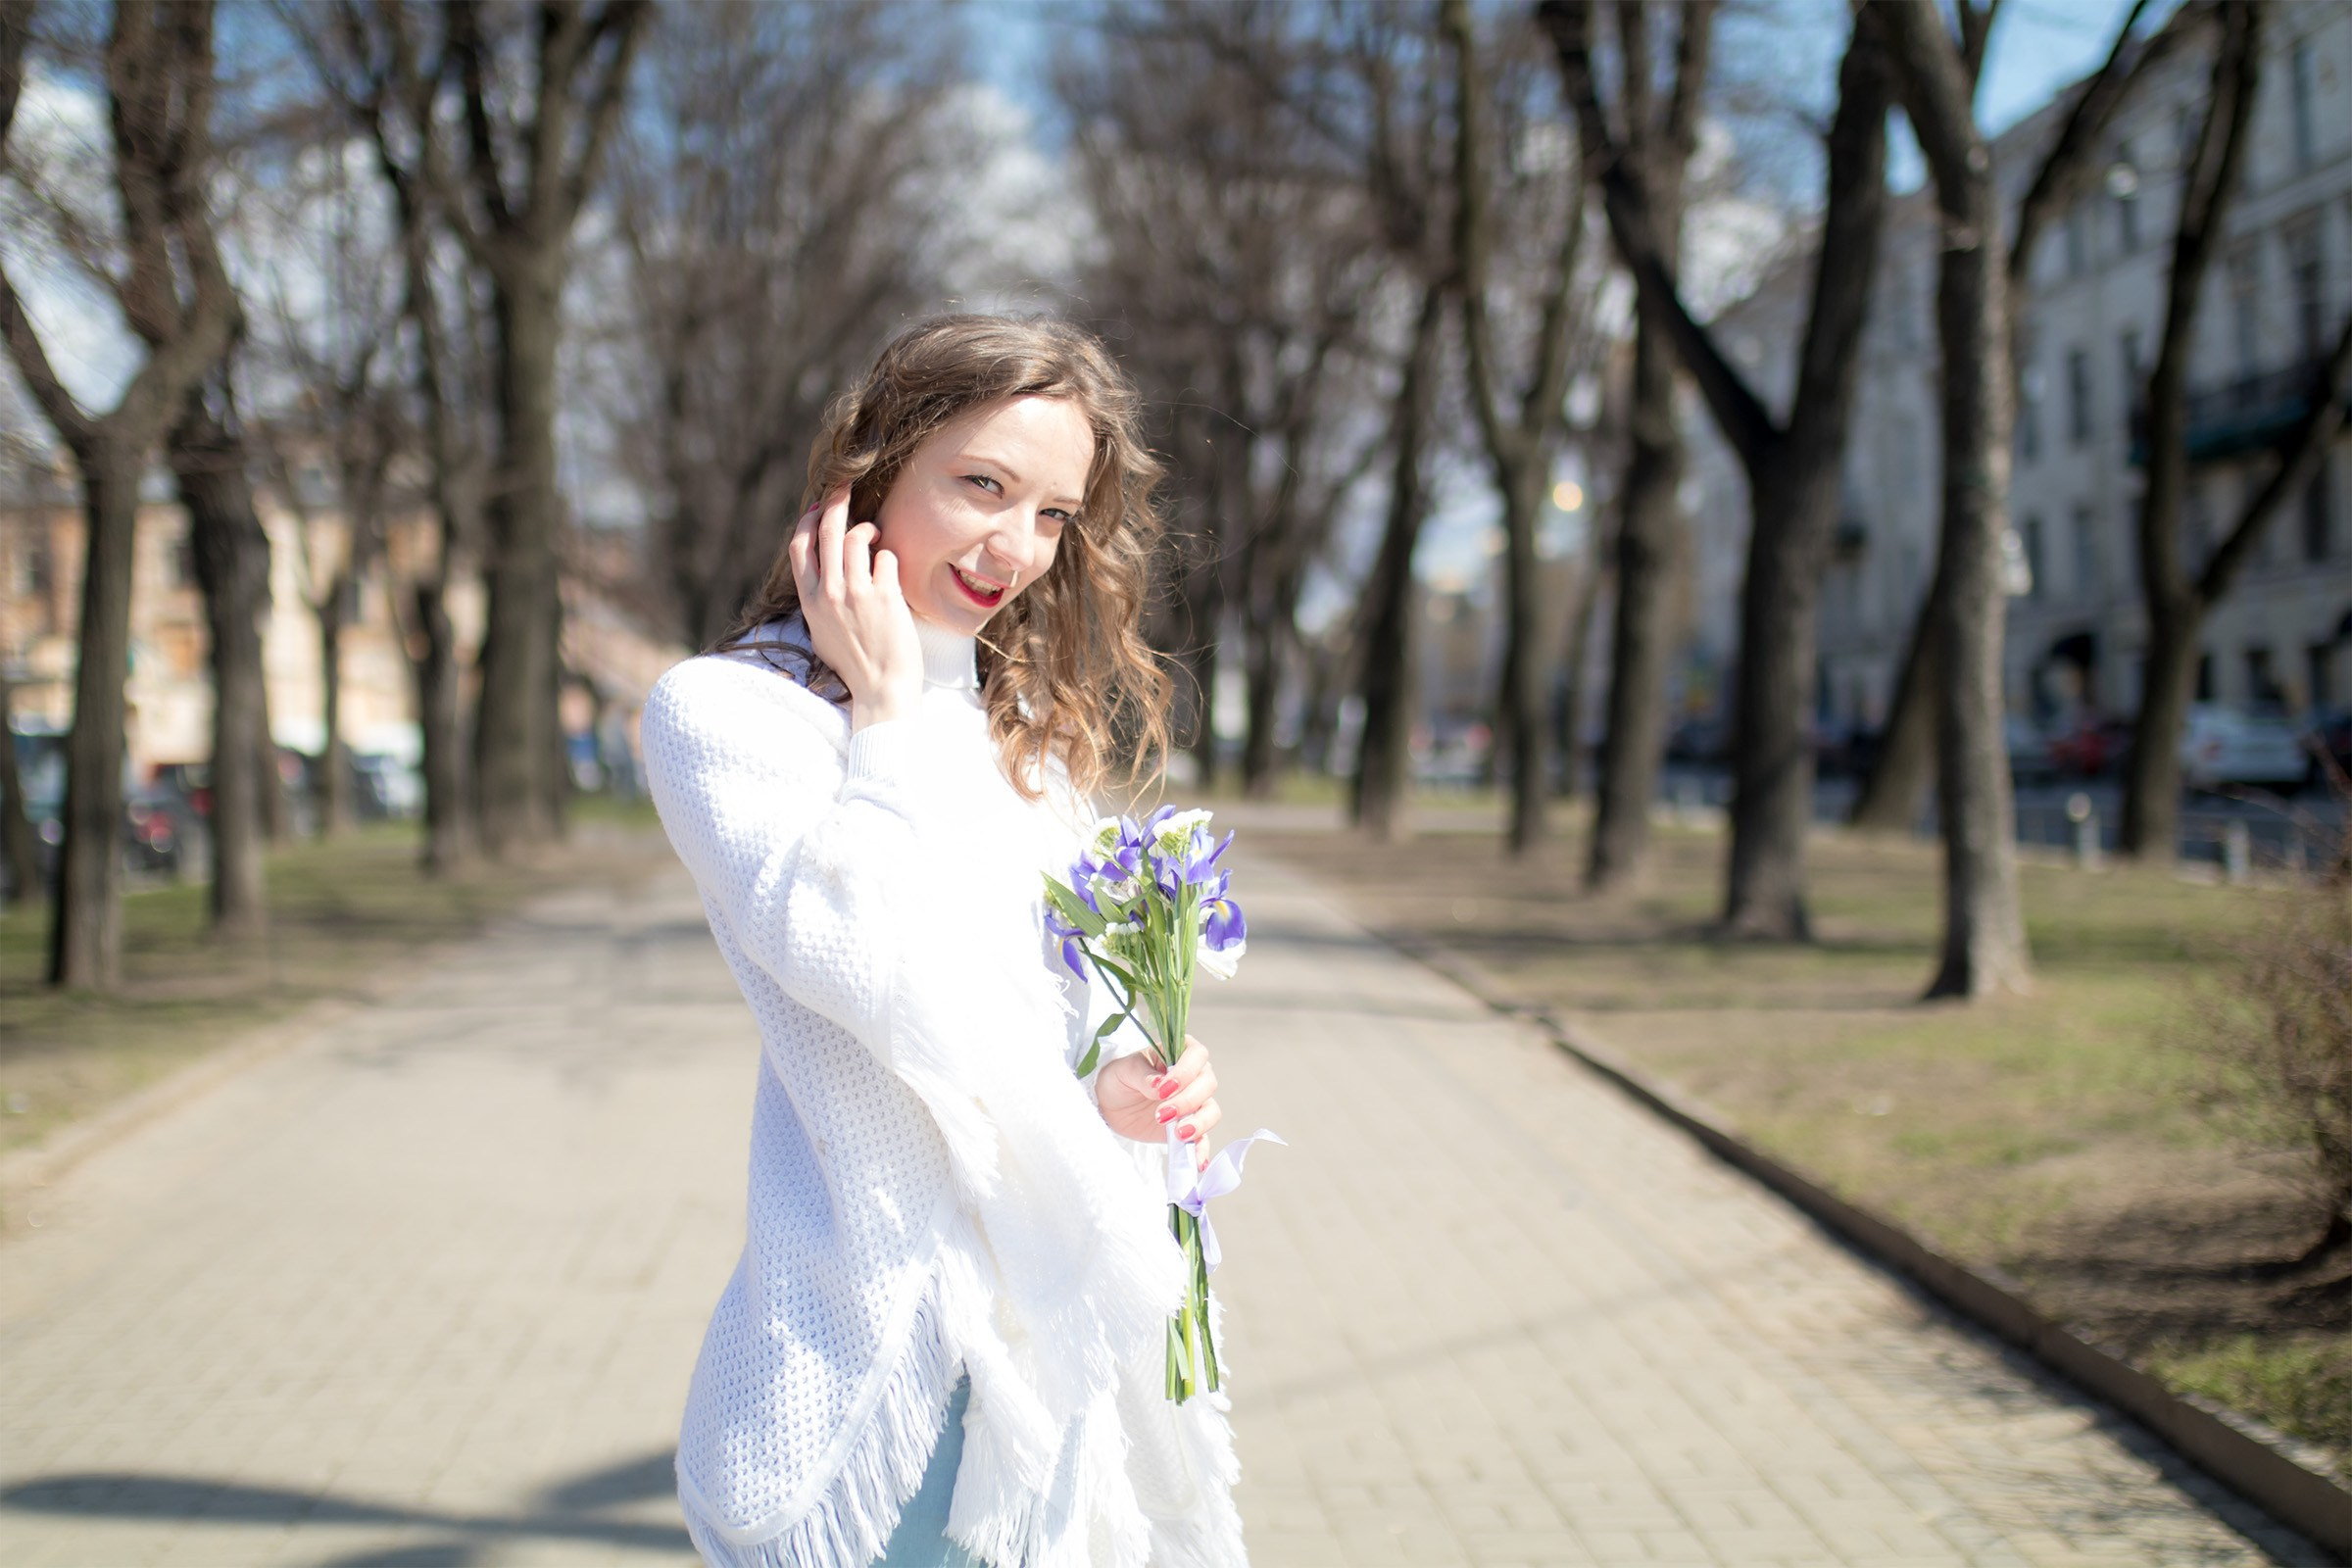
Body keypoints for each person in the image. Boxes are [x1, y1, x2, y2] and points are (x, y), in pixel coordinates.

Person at [640, 316, 1247, 1568]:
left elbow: (1024, 1026)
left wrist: (1119, 1084)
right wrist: (886, 712)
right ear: (873, 470)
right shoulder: (725, 716)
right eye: (982, 485)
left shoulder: (1012, 724)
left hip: (1045, 1354)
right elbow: (882, 967)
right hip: (884, 1372)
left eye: (1053, 514)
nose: (1016, 547)